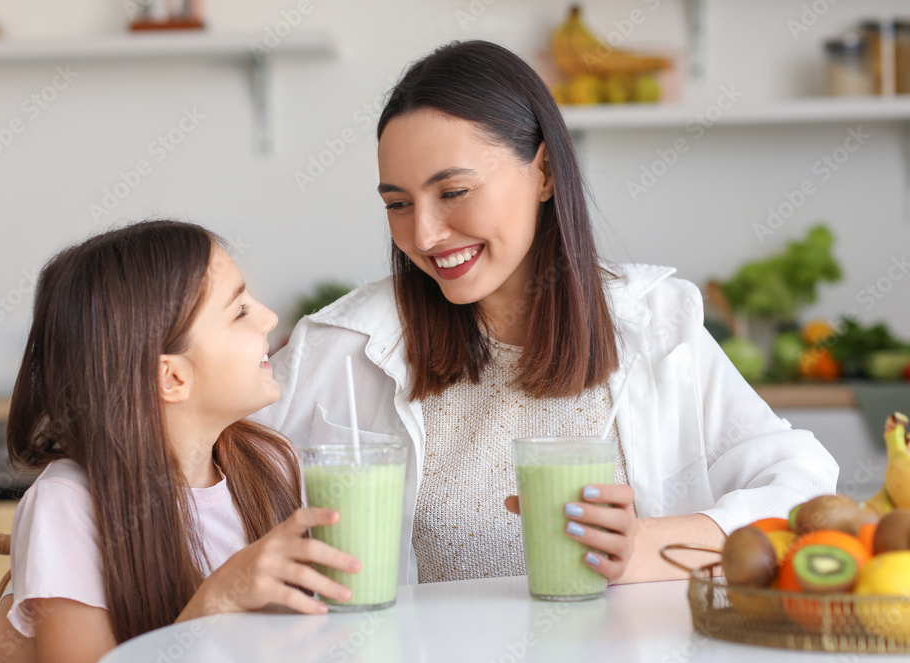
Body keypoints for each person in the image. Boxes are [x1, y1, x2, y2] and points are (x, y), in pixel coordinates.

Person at [254, 40, 839, 586]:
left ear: (544, 172)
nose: (425, 234)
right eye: (399, 204)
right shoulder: (348, 342)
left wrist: (644, 548)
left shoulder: (655, 323)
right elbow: (195, 473)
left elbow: (804, 484)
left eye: (453, 192)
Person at [0, 221, 360, 663]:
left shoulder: (271, 462)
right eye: (239, 311)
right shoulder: (69, 504)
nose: (269, 317)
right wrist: (212, 604)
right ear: (171, 376)